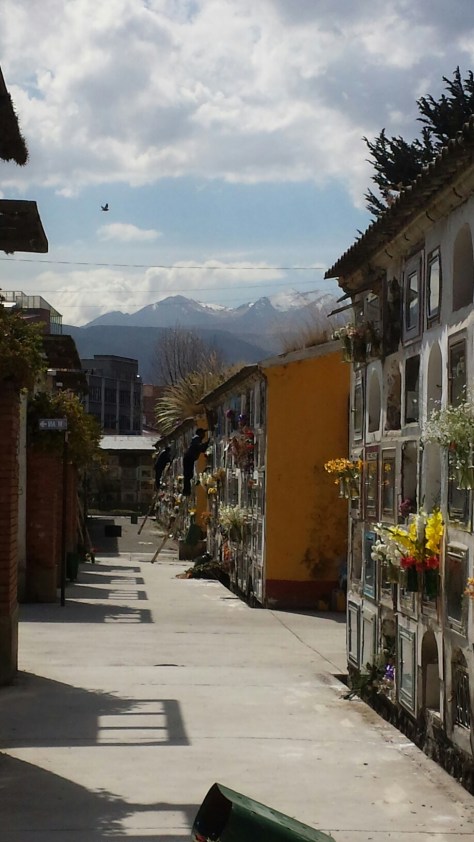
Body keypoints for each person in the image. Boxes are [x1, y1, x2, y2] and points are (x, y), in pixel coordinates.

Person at [183, 428, 209, 496]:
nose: (204, 435)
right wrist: (207, 443)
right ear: (200, 433)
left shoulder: (197, 439)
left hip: (189, 459)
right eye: (203, 433)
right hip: (189, 459)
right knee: (188, 475)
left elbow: (201, 449)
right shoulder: (196, 438)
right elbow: (200, 448)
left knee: (188, 475)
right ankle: (186, 491)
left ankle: (187, 491)